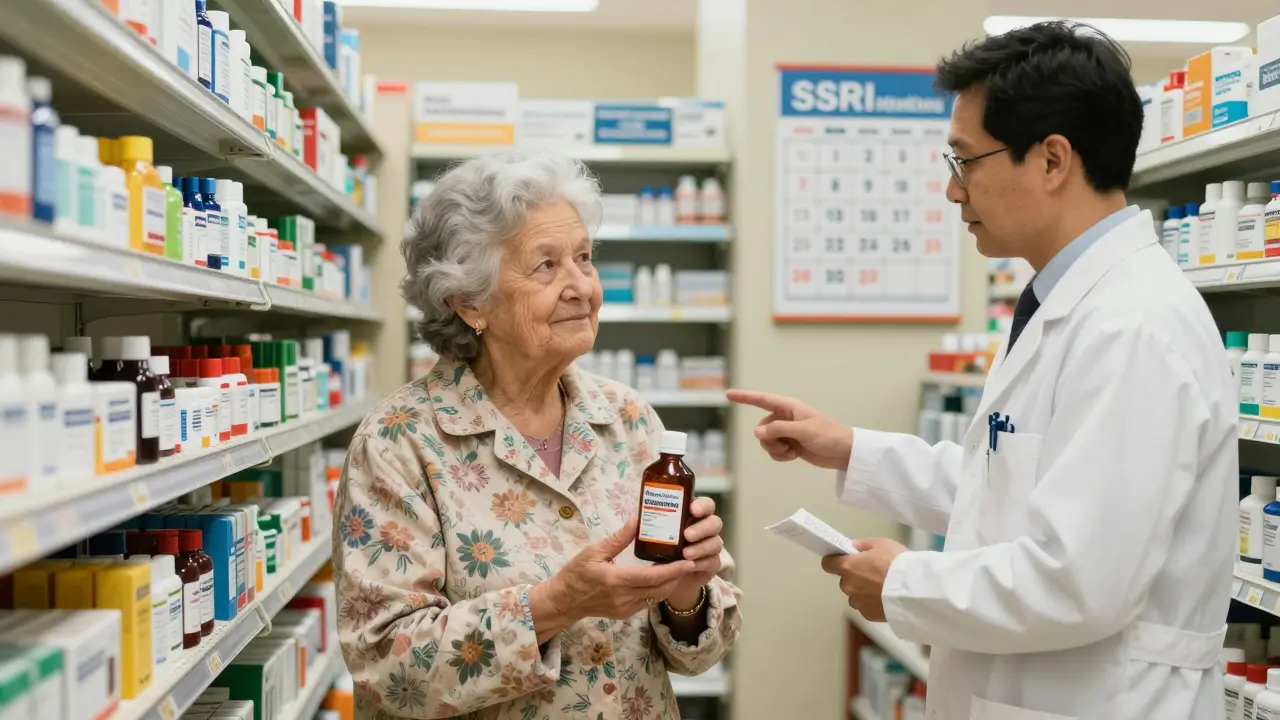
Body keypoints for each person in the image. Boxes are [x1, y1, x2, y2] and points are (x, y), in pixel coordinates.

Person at [731, 21, 1235, 720]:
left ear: (1052, 160)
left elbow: (1083, 579)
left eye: (965, 161)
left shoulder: (1132, 328)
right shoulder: (1067, 301)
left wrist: (904, 582)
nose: (951, 191)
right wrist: (852, 449)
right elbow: (1008, 492)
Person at [335, 152, 741, 719]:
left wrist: (687, 593)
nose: (581, 286)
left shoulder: (627, 419)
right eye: (546, 266)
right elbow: (387, 666)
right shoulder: (400, 443)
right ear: (469, 301)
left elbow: (703, 653)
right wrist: (552, 605)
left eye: (584, 258)